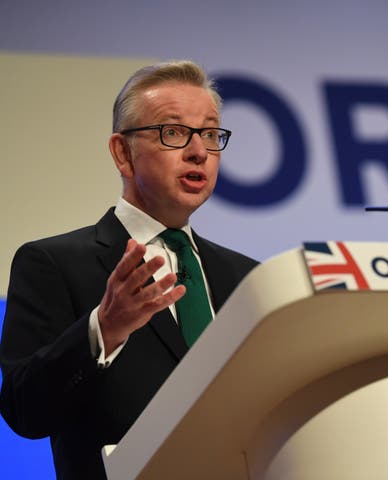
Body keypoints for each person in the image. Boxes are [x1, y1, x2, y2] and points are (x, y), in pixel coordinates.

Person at [0, 61, 258, 479]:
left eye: (210, 134)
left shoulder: (248, 277)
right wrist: (103, 328)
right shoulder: (53, 263)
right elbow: (24, 411)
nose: (199, 151)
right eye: (173, 132)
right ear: (123, 152)